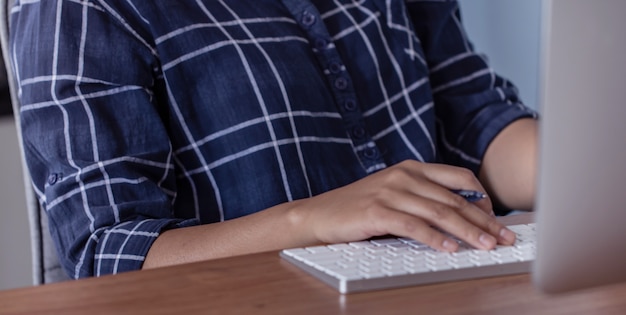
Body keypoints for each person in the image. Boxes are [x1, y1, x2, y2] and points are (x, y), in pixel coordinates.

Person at [10, 0, 538, 279]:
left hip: (434, 284)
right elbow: (108, 254)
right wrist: (309, 222)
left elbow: (473, 119)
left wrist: (591, 163)